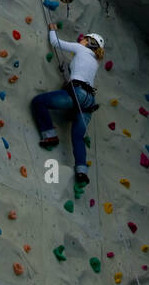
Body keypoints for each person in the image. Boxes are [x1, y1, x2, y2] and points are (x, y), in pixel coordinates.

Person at [30, 30, 104, 186]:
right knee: (78, 137)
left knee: (39, 102)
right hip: (89, 101)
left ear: (89, 42)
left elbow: (55, 42)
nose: (81, 39)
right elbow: (79, 70)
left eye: (85, 38)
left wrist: (51, 28)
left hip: (77, 93)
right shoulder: (95, 62)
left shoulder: (82, 49)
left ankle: (49, 135)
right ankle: (82, 171)